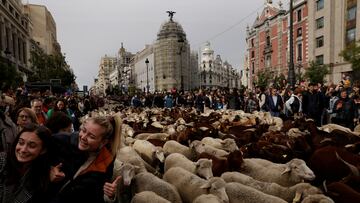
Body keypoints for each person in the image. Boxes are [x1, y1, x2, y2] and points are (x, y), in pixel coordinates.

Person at [50, 116, 115, 203]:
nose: (83, 137)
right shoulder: (60, 142)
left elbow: (98, 193)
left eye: (91, 136)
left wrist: (109, 194)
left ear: (103, 142)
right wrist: (49, 171)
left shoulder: (106, 160)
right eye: (83, 130)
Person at [0, 124, 54, 203]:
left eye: (32, 146)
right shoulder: (2, 161)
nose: (23, 149)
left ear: (43, 150)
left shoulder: (42, 176)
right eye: (21, 142)